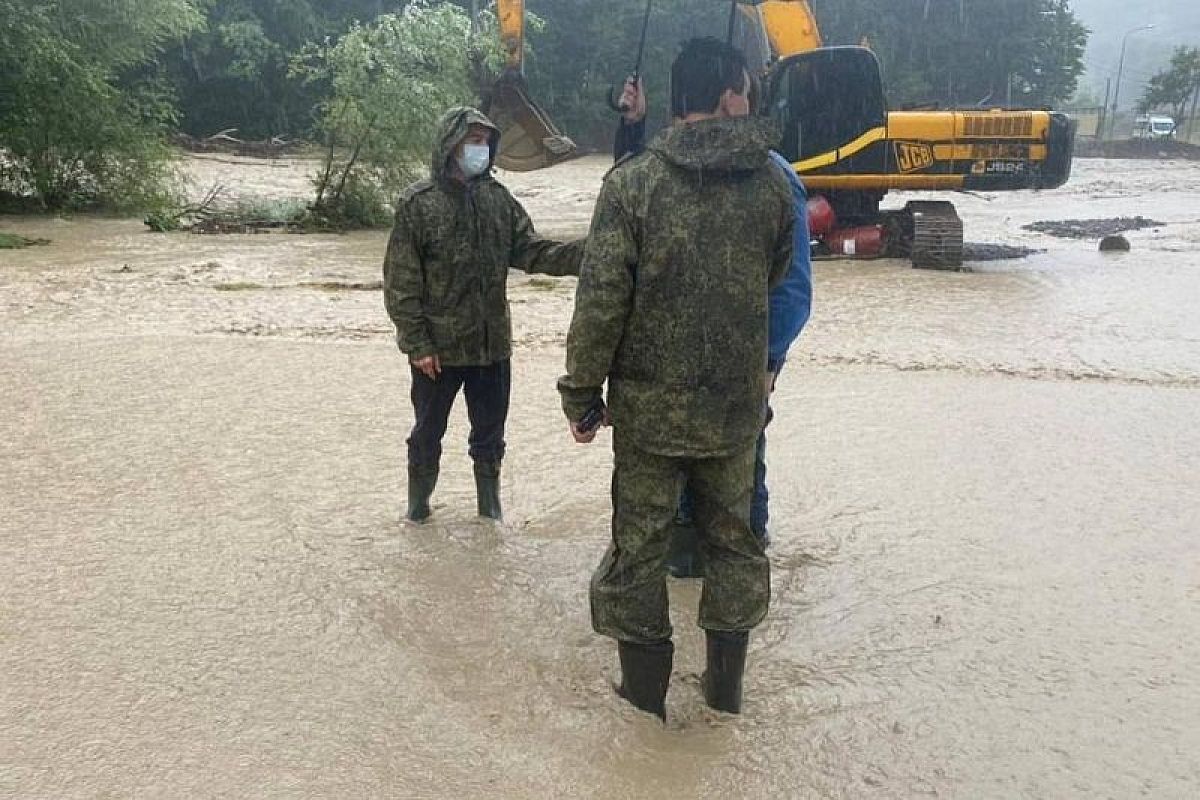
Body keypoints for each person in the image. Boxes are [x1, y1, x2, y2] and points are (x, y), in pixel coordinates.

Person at [559, 38, 794, 720]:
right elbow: (775, 276)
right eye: (745, 91)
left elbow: (600, 303)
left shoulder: (632, 184)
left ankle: (644, 709)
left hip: (650, 420)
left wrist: (581, 395)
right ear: (726, 99)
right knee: (734, 544)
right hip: (732, 416)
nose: (748, 102)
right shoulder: (773, 185)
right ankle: (725, 698)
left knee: (640, 551)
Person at [612, 74, 813, 576]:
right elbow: (620, 220)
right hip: (664, 379)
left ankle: (737, 584)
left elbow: (791, 288)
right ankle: (689, 580)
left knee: (738, 499)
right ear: (726, 99)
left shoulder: (771, 177)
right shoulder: (661, 170)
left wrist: (766, 363)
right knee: (671, 510)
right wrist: (631, 129)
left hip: (734, 376)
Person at [384, 107, 584, 523]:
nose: (480, 148)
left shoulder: (498, 200)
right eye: (472, 140)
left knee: (490, 437)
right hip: (437, 352)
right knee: (426, 433)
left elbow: (532, 251)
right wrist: (417, 344)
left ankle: (489, 510)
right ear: (449, 145)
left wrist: (589, 253)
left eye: (484, 141)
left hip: (492, 348)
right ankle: (418, 509)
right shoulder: (418, 204)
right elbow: (401, 284)